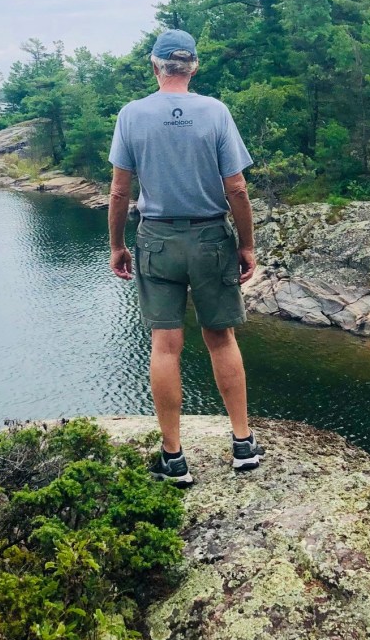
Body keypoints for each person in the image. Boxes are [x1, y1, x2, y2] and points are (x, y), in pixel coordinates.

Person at [108, 29, 263, 486]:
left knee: (165, 345)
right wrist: (246, 245)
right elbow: (237, 188)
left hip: (156, 240)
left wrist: (117, 245)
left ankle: (174, 457)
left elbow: (119, 191)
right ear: (194, 66)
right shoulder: (215, 112)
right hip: (211, 238)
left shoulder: (132, 114)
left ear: (155, 66)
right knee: (221, 338)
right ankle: (243, 445)